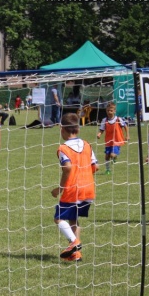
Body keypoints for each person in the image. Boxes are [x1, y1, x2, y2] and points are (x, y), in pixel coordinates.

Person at [51, 112, 98, 263]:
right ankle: (76, 255)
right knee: (73, 219)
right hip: (88, 189)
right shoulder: (87, 144)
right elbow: (95, 166)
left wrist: (59, 189)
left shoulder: (63, 148)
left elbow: (67, 168)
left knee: (58, 218)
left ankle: (74, 242)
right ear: (77, 129)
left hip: (73, 190)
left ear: (62, 129)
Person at [96, 102, 129, 175]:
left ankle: (114, 157)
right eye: (108, 110)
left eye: (111, 111)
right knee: (107, 156)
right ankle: (108, 170)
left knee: (112, 155)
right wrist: (99, 134)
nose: (109, 112)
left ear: (114, 111)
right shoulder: (104, 120)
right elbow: (102, 129)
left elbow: (125, 126)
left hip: (117, 140)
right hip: (108, 141)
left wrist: (127, 135)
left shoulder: (118, 119)